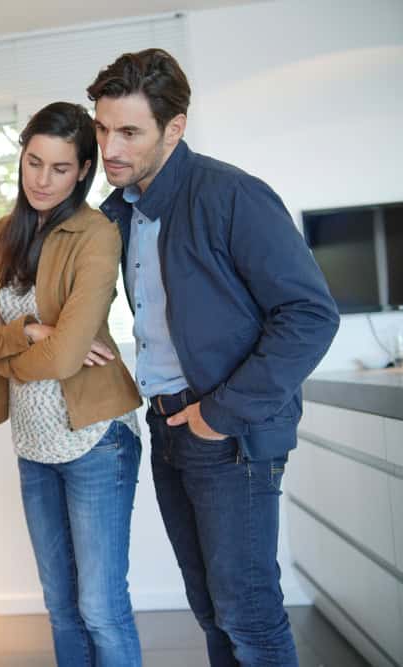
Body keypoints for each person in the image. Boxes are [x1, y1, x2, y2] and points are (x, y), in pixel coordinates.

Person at [87, 49, 340, 666]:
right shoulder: (119, 213)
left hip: (230, 434)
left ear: (174, 129)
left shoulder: (232, 196)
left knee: (248, 614)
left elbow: (310, 315)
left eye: (128, 132)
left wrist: (218, 414)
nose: (110, 147)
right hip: (168, 425)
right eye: (101, 128)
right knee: (211, 612)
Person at [0, 101, 144, 667]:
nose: (42, 179)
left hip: (96, 437)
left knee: (101, 606)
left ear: (83, 170)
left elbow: (63, 361)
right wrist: (31, 330)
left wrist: (4, 348)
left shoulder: (97, 235)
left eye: (60, 168)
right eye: (34, 162)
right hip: (33, 444)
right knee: (60, 606)